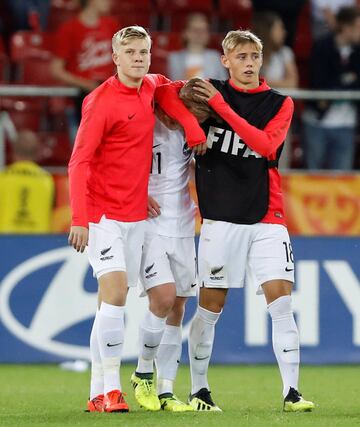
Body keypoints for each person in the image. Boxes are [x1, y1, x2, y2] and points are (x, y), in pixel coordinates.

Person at [68, 25, 206, 414]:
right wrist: (79, 217)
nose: (139, 58)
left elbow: (173, 92)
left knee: (110, 304)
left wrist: (193, 125)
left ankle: (97, 391)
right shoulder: (100, 101)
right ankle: (113, 389)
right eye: (130, 51)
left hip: (138, 217)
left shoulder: (151, 86)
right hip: (103, 214)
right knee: (114, 293)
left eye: (144, 51)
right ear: (115, 57)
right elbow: (79, 160)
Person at [180, 30, 315, 412]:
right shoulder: (206, 92)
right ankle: (199, 389)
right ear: (225, 60)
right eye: (241, 56)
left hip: (267, 215)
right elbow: (170, 103)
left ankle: (291, 392)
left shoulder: (278, 103)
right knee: (210, 306)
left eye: (254, 55)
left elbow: (266, 146)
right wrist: (192, 128)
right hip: (221, 217)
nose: (250, 62)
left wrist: (221, 110)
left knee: (282, 302)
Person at [131, 107, 196, 412]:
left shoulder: (191, 127)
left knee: (178, 304)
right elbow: (117, 161)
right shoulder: (143, 123)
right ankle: (142, 372)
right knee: (163, 297)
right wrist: (136, 194)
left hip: (183, 224)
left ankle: (166, 390)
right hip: (150, 225)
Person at [51, 0, 118, 143]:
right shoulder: (69, 29)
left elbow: (120, 62)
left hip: (107, 100)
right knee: (82, 152)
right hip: (80, 102)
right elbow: (56, 69)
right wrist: (85, 83)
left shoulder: (112, 25)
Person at [302, 6, 360, 170]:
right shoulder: (322, 47)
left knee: (342, 181)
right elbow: (319, 83)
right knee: (313, 177)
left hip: (347, 124)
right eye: (358, 27)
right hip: (317, 123)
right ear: (346, 27)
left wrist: (339, 82)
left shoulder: (358, 52)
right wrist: (348, 78)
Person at [252, 11, 299, 169]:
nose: (284, 32)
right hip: (254, 116)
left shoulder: (285, 53)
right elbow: (249, 82)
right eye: (280, 28)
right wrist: (276, 84)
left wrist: (265, 83)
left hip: (280, 116)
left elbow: (292, 82)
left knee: (280, 164)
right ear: (268, 30)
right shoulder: (253, 54)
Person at [0, 130, 54, 233]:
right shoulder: (47, 180)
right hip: (41, 241)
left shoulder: (2, 178)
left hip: (4, 240)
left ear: (13, 152)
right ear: (37, 153)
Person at [167, 13, 228, 81]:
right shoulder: (174, 58)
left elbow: (224, 84)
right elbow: (173, 84)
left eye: (203, 30)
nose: (200, 33)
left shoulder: (215, 56)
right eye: (195, 30)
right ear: (186, 33)